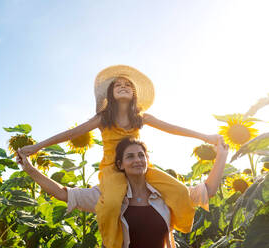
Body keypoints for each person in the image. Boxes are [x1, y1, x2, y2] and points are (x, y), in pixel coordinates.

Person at [19, 65, 222, 247]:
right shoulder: (103, 118)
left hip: (139, 167)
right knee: (113, 204)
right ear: (110, 92)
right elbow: (72, 134)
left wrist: (205, 136)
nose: (123, 86)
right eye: (118, 84)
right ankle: (113, 243)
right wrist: (38, 147)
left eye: (128, 84)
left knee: (178, 190)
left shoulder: (141, 118)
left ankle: (180, 226)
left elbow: (174, 129)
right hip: (112, 170)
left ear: (134, 93)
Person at [17, 137, 229, 248]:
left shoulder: (166, 193)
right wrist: (29, 169)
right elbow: (64, 193)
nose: (137, 160)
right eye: (130, 157)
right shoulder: (107, 196)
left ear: (147, 160)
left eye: (141, 155)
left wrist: (222, 156)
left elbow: (207, 190)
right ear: (120, 164)